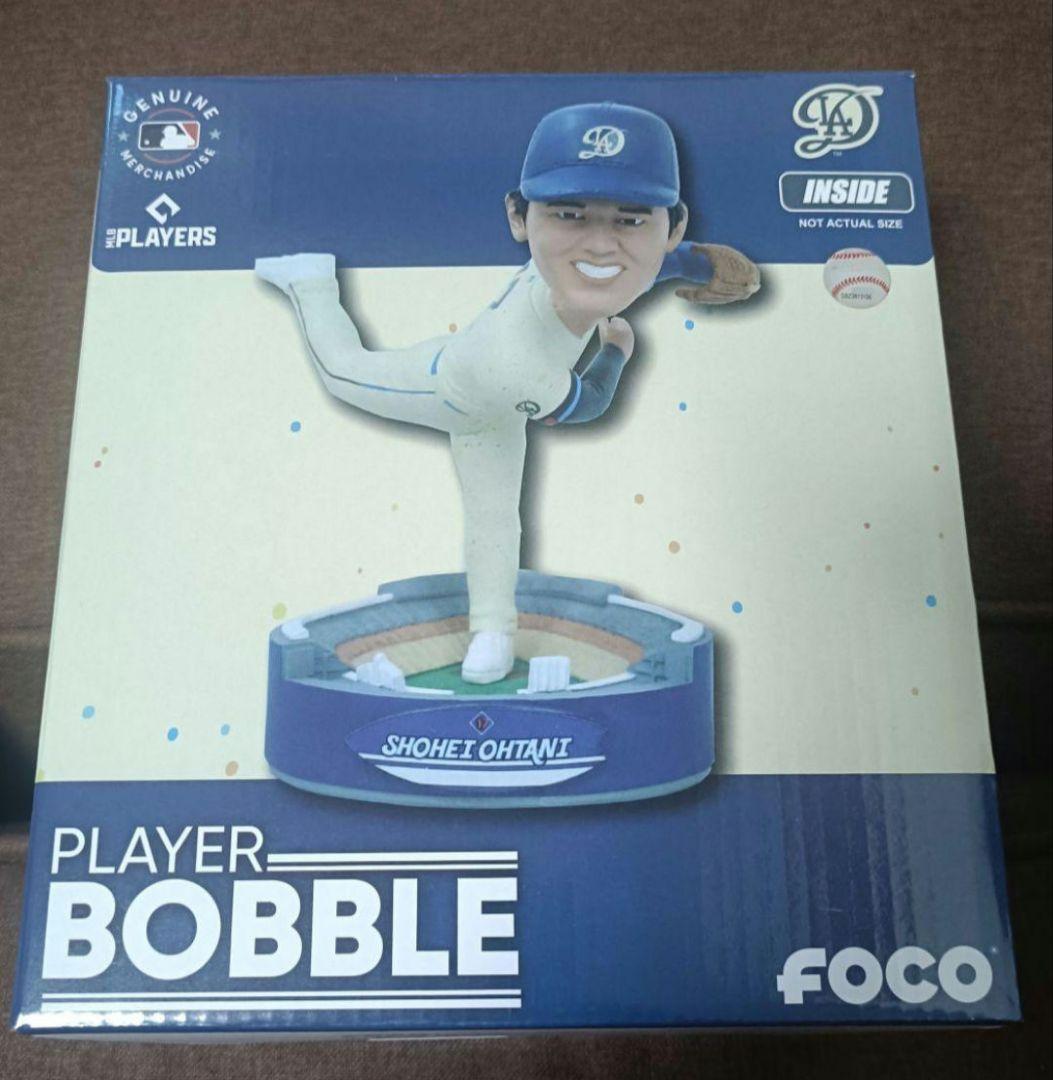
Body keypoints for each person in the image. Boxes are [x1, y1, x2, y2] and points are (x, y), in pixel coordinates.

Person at [255, 102, 760, 684]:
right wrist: (617, 351)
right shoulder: (515, 358)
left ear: (672, 227)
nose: (601, 245)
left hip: (495, 398)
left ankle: (492, 633)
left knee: (495, 521)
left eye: (630, 219)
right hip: (453, 390)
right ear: (520, 218)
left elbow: (640, 268)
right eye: (569, 215)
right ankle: (311, 280)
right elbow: (587, 404)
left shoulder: (583, 263)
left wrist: (697, 266)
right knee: (342, 373)